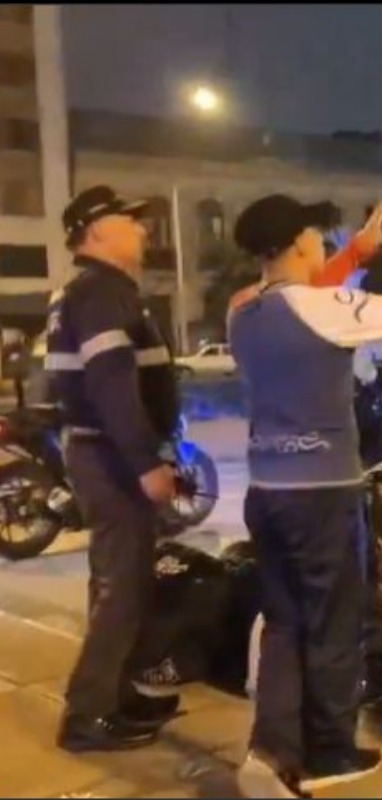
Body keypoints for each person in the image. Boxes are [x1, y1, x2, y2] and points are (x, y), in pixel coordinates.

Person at [227, 196, 382, 798]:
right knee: (334, 626)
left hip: (267, 490)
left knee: (284, 624)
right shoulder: (323, 308)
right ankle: (330, 751)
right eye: (318, 238)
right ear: (301, 243)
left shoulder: (241, 314)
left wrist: (359, 251)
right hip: (323, 493)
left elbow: (303, 299)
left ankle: (270, 749)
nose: (324, 246)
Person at [46, 185, 182, 752]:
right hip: (110, 456)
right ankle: (86, 716)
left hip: (103, 452)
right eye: (131, 222)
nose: (143, 230)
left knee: (115, 583)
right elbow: (110, 386)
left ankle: (115, 699)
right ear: (97, 232)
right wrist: (146, 462)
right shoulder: (101, 293)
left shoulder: (97, 291)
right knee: (121, 587)